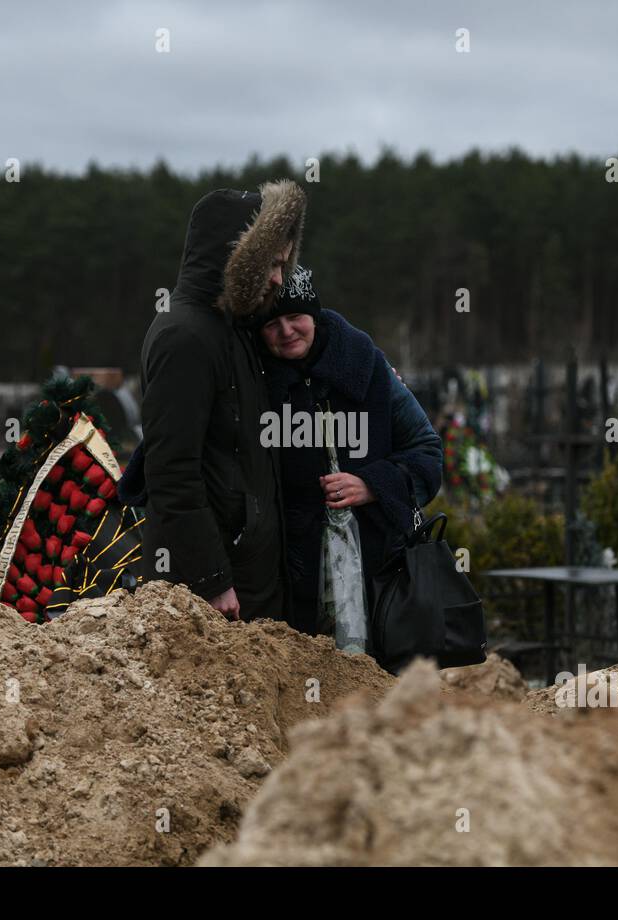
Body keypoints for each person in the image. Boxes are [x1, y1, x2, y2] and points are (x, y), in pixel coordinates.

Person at [119, 180, 308, 621]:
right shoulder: (185, 337)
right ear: (236, 260)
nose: (281, 277)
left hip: (245, 572)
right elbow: (171, 471)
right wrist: (211, 580)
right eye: (272, 264)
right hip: (210, 589)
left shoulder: (232, 328)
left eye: (285, 264)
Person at [255, 266, 443, 642]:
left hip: (377, 564)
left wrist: (373, 484)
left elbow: (427, 450)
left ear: (315, 316)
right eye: (272, 323)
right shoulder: (255, 378)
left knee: (374, 680)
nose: (287, 331)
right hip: (290, 569)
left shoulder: (365, 364)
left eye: (295, 317)